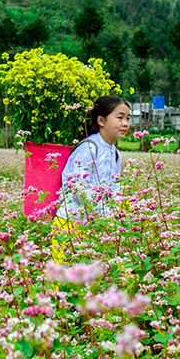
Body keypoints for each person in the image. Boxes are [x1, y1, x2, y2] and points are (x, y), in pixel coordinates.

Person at [53, 96, 131, 260]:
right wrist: (104, 214)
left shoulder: (116, 154)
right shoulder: (88, 148)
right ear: (101, 121)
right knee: (62, 278)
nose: (125, 123)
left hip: (96, 226)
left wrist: (117, 212)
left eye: (128, 118)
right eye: (120, 117)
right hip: (70, 224)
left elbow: (114, 188)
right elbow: (75, 187)